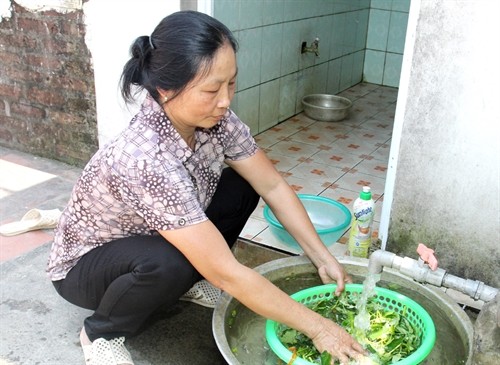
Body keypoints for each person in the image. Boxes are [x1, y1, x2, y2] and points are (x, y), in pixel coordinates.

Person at [46, 10, 366, 365]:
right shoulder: (145, 157)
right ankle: (100, 332)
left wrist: (324, 258)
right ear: (165, 90)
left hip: (153, 235)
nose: (226, 100)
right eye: (212, 89)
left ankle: (189, 280)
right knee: (171, 263)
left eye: (231, 83)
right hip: (88, 266)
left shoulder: (218, 119)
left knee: (242, 185)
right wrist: (319, 328)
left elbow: (272, 184)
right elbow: (227, 272)